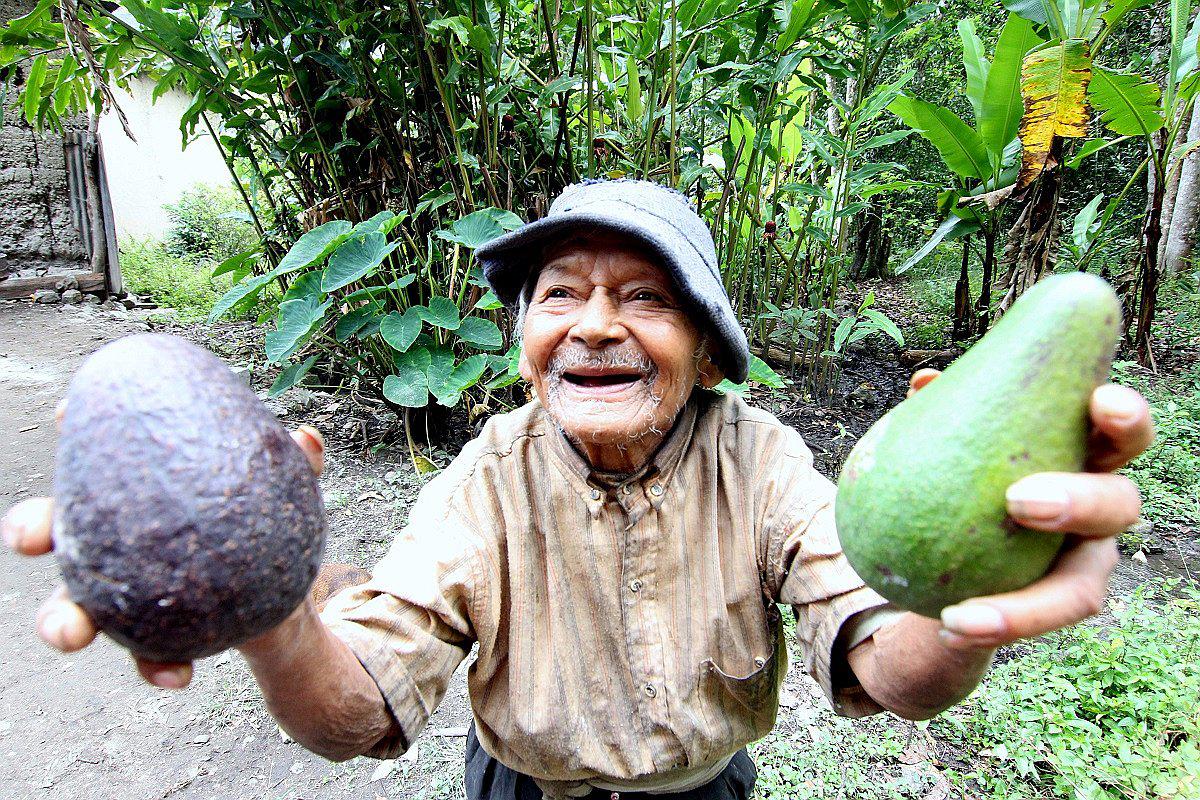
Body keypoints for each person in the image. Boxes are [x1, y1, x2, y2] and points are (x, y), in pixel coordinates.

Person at [3, 180, 1153, 800]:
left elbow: (890, 661)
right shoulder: (484, 479)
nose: (595, 322)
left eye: (644, 297)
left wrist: (964, 596)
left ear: (709, 354)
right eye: (560, 294)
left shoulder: (759, 458)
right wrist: (271, 606)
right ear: (525, 349)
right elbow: (357, 714)